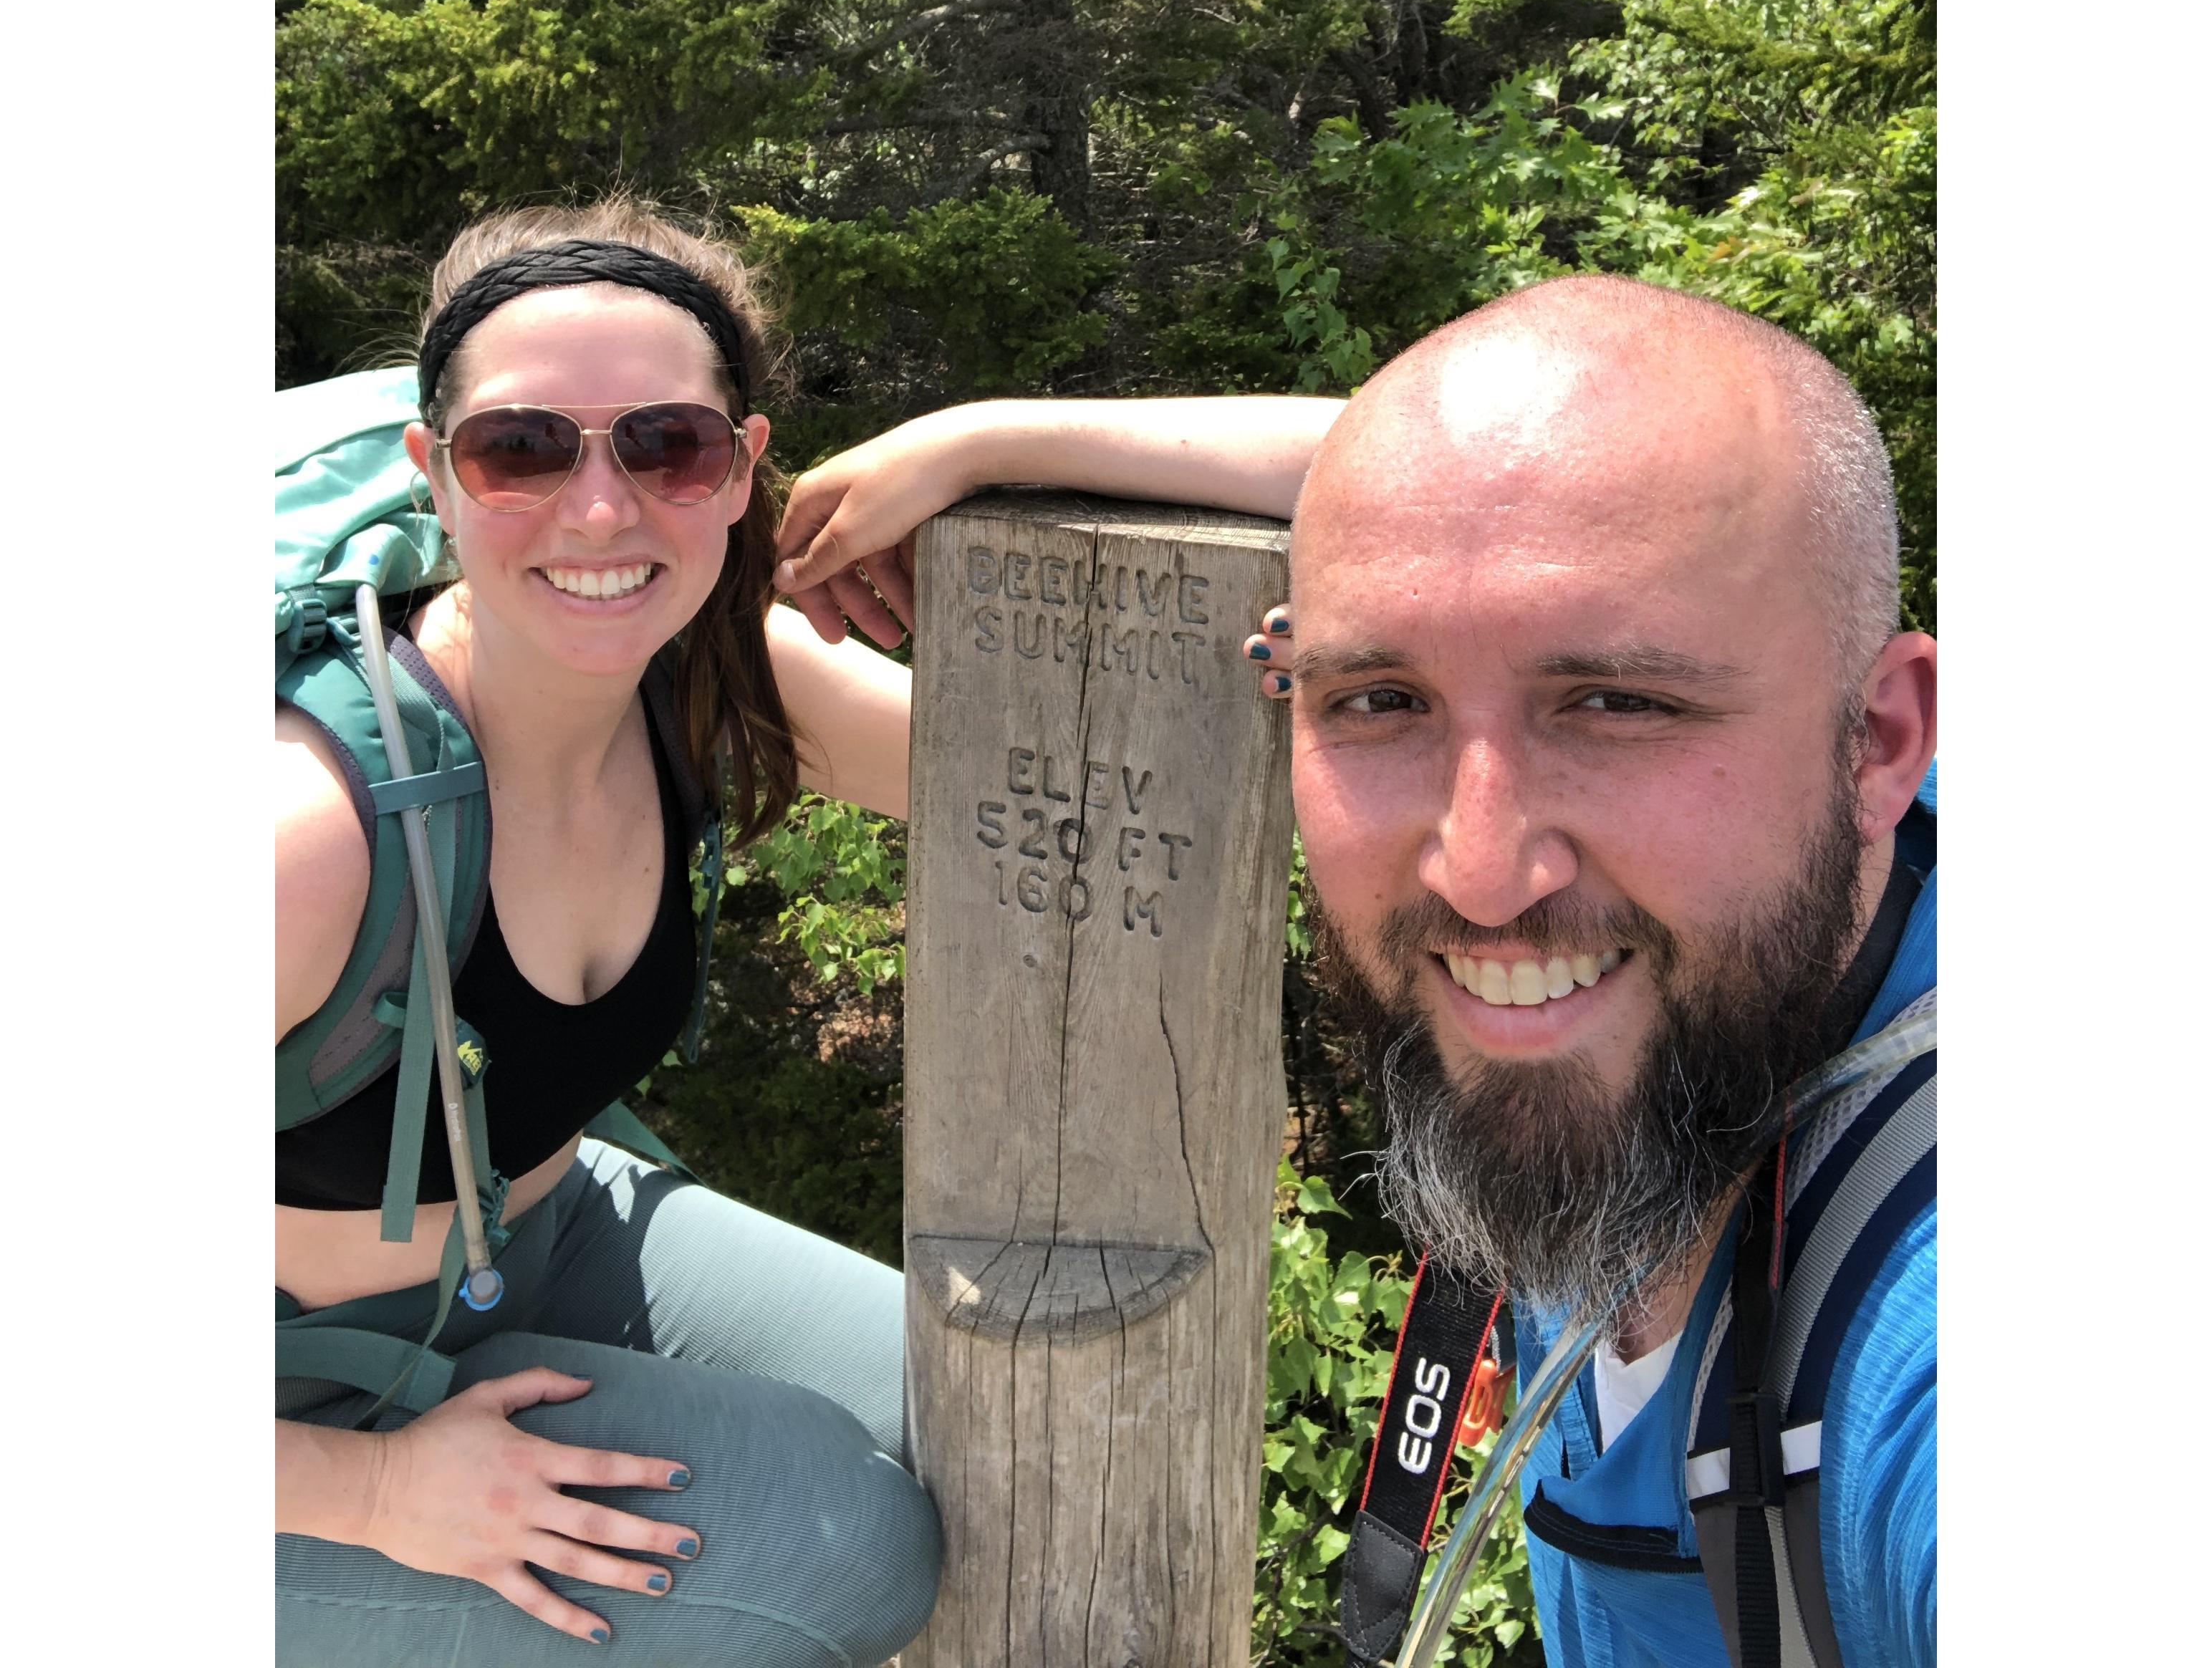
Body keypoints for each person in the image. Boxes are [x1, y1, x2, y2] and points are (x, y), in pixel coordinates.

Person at [778, 274, 1936, 1668]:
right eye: (1378, 697)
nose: (1481, 866)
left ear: (1876, 737)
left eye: (1616, 702)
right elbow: (1469, 484)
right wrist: (977, 441)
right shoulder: (1751, 924)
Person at [274, 198, 1331, 1662]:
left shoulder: (699, 680)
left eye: (666, 445)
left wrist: (977, 439)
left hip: (551, 1233)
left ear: (741, 469)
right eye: (522, 448)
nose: (600, 509)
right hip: (292, 1410)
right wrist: (381, 1489)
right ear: (431, 475)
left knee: (1022, 1422)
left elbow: (1418, 470)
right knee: (836, 1546)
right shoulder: (305, 835)